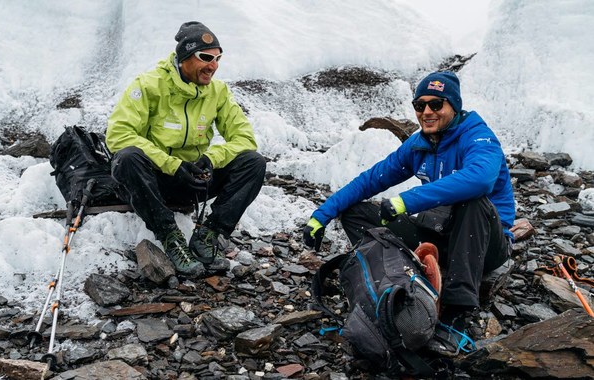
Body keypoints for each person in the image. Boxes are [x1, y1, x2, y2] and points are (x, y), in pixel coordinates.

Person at [303, 71, 515, 353]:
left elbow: (481, 179)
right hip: (440, 237)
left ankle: (456, 312)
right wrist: (322, 215)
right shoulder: (420, 145)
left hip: (486, 244)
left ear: (454, 106)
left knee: (473, 200)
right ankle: (391, 282)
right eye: (420, 105)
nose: (427, 112)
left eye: (436, 104)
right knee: (357, 213)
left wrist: (406, 201)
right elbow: (371, 180)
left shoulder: (477, 137)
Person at [106, 21, 266, 279]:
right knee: (126, 158)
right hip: (153, 183)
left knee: (253, 162)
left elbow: (245, 139)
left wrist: (210, 159)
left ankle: (210, 234)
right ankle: (170, 236)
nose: (213, 66)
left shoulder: (218, 92)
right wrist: (172, 165)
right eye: (205, 57)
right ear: (184, 57)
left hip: (192, 179)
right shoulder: (148, 85)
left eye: (217, 59)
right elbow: (118, 135)